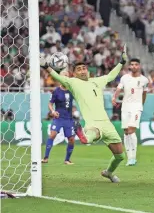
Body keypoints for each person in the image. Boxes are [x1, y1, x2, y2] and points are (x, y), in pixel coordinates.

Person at [39, 50, 128, 183]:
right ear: (74, 73)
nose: (82, 71)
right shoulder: (73, 82)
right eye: (79, 69)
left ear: (88, 71)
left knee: (120, 156)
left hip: (107, 123)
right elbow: (59, 78)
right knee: (93, 134)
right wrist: (46, 66)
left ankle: (108, 173)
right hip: (93, 123)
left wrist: (122, 62)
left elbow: (110, 75)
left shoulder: (97, 81)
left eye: (84, 68)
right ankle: (84, 137)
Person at [112, 58, 148, 166]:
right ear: (129, 66)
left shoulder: (144, 80)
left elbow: (144, 93)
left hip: (136, 107)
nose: (134, 66)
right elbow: (119, 89)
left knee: (131, 129)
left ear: (139, 66)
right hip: (125, 107)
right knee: (126, 131)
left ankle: (133, 157)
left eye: (136, 64)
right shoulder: (124, 78)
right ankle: (129, 157)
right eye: (132, 65)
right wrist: (114, 97)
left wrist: (141, 105)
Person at [42, 71, 75, 165]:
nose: (65, 78)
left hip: (69, 119)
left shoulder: (72, 90)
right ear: (60, 78)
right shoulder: (56, 91)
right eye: (63, 76)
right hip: (58, 118)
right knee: (52, 135)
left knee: (71, 139)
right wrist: (52, 111)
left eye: (67, 76)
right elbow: (50, 103)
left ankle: (67, 160)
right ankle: (45, 158)